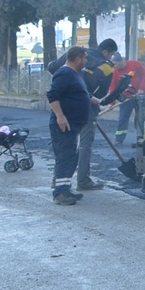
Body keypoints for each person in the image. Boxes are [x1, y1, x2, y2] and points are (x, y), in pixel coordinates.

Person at [46, 46, 95, 205]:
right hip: (64, 124)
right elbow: (53, 95)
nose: (86, 62)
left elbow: (83, 95)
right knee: (65, 156)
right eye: (85, 58)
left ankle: (65, 189)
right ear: (78, 58)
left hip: (72, 124)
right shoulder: (64, 73)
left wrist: (101, 101)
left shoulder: (74, 74)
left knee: (70, 157)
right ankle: (60, 193)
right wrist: (60, 116)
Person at [107, 55, 145, 141]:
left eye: (116, 64)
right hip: (126, 98)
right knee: (123, 118)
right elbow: (113, 88)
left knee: (143, 117)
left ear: (122, 61)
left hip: (141, 96)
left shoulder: (135, 64)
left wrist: (141, 88)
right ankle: (119, 139)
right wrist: (111, 102)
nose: (114, 66)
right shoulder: (115, 72)